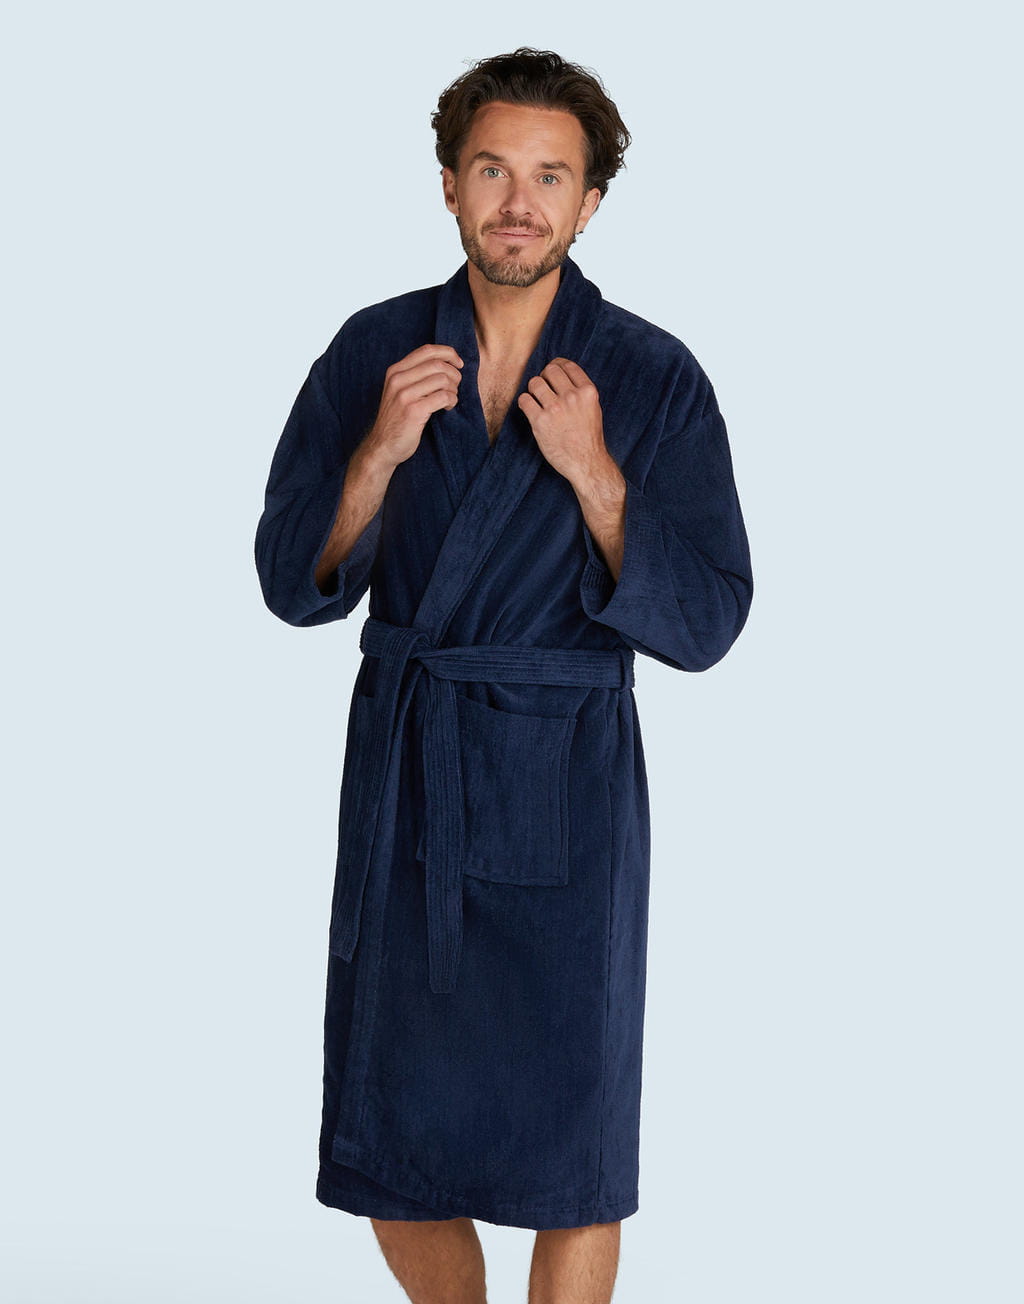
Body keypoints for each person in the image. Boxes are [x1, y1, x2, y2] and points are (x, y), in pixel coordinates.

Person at [255, 46, 753, 1304]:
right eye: (491, 171)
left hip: (567, 798)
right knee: (393, 1145)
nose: (517, 202)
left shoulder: (651, 376)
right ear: (448, 185)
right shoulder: (373, 350)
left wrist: (595, 474)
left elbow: (708, 618)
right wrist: (376, 454)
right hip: (409, 786)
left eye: (549, 176)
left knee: (574, 1151)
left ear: (589, 204)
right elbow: (286, 578)